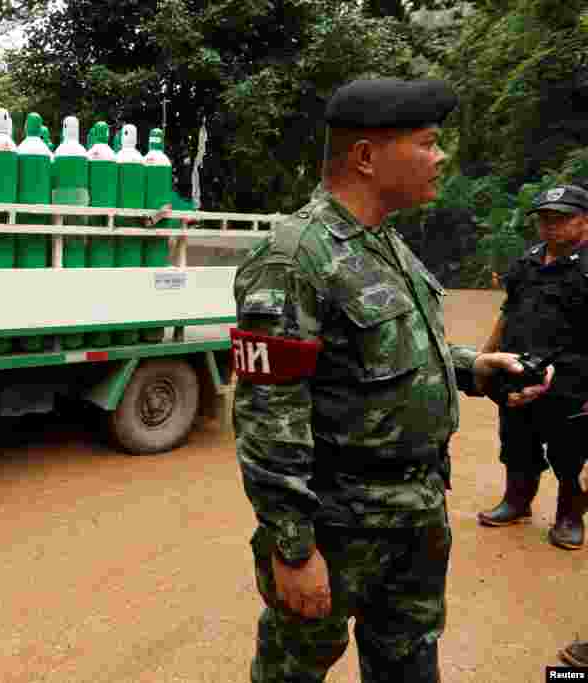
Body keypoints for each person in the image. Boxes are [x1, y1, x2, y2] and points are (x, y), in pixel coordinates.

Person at [232, 78, 553, 682]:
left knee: (408, 661)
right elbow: (268, 415)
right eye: (428, 143)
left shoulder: (385, 243)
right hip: (338, 526)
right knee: (291, 672)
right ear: (366, 157)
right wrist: (294, 549)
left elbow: (392, 349)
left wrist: (474, 369)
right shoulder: (294, 256)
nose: (442, 157)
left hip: (415, 514)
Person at [476, 184, 588, 549]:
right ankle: (517, 500)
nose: (550, 227)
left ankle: (570, 517)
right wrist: (483, 358)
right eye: (544, 220)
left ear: (584, 221)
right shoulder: (527, 262)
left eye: (560, 219)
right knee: (516, 437)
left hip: (572, 378)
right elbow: (507, 312)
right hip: (518, 368)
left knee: (570, 452)